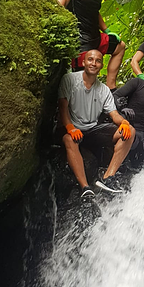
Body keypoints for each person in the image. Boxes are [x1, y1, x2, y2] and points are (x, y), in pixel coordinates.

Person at [57, 49, 135, 198]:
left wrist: (124, 122)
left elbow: (114, 115)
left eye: (98, 61)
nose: (94, 63)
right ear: (84, 62)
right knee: (68, 139)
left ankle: (108, 177)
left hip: (92, 130)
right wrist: (70, 128)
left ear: (101, 65)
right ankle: (85, 187)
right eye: (91, 59)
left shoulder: (104, 90)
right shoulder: (69, 80)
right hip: (73, 129)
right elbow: (63, 107)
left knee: (130, 131)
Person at [58, 0, 125, 91]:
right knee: (84, 84)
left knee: (119, 46)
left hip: (95, 37)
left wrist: (107, 30)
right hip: (80, 41)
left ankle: (111, 89)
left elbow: (95, 12)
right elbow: (62, 0)